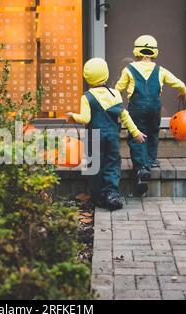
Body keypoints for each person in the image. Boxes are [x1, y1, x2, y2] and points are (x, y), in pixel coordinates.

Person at [66, 58, 146, 210]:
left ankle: (98, 197)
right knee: (112, 164)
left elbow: (86, 118)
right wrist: (135, 132)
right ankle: (111, 194)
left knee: (93, 166)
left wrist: (73, 116)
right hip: (112, 136)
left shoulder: (87, 97)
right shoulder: (115, 94)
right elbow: (124, 116)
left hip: (93, 137)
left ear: (87, 77)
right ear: (106, 75)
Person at [115, 35, 186, 195]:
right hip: (155, 107)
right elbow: (181, 84)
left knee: (136, 135)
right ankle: (151, 161)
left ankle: (141, 167)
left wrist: (115, 103)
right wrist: (182, 93)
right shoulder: (160, 70)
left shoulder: (128, 69)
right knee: (153, 133)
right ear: (154, 52)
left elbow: (118, 89)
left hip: (136, 107)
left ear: (136, 51)